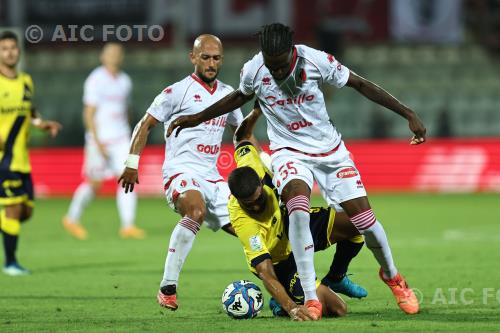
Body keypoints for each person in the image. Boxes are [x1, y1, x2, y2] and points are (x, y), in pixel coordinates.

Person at [168, 23, 425, 315]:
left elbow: (361, 84)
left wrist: (408, 113)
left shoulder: (316, 60)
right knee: (298, 209)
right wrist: (196, 117)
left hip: (330, 151)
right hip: (288, 152)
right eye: (270, 66)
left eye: (280, 66)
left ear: (291, 52)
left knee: (365, 222)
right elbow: (239, 97)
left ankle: (392, 277)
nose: (275, 73)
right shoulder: (254, 69)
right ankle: (310, 297)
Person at [118, 35, 249, 311]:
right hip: (181, 172)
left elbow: (241, 134)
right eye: (205, 57)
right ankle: (168, 287)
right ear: (193, 57)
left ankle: (287, 287)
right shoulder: (176, 92)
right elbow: (145, 124)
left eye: (216, 58)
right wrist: (132, 163)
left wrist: (254, 162)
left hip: (213, 178)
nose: (211, 63)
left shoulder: (228, 95)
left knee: (251, 229)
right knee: (196, 212)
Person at [227, 106, 367, 321]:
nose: (255, 207)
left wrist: (256, 111)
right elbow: (264, 270)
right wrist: (291, 306)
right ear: (238, 200)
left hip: (293, 224)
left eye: (258, 200)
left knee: (359, 223)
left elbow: (242, 136)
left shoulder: (251, 163)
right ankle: (280, 302)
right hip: (280, 261)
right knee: (338, 309)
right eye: (248, 205)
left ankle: (337, 277)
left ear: (260, 182)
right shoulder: (243, 220)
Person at [62, 43, 144, 240]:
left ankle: (128, 225)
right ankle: (71, 219)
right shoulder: (96, 79)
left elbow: (127, 110)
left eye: (118, 53)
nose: (114, 56)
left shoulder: (125, 80)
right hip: (100, 140)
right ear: (103, 56)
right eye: (110, 53)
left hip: (121, 138)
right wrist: (96, 141)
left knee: (128, 177)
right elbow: (89, 112)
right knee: (95, 183)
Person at [0, 31, 62, 275]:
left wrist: (41, 123)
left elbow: (29, 110)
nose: (10, 52)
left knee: (26, 211)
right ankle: (10, 263)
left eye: (13, 48)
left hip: (22, 159)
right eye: (4, 48)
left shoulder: (26, 80)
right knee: (13, 209)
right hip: (4, 161)